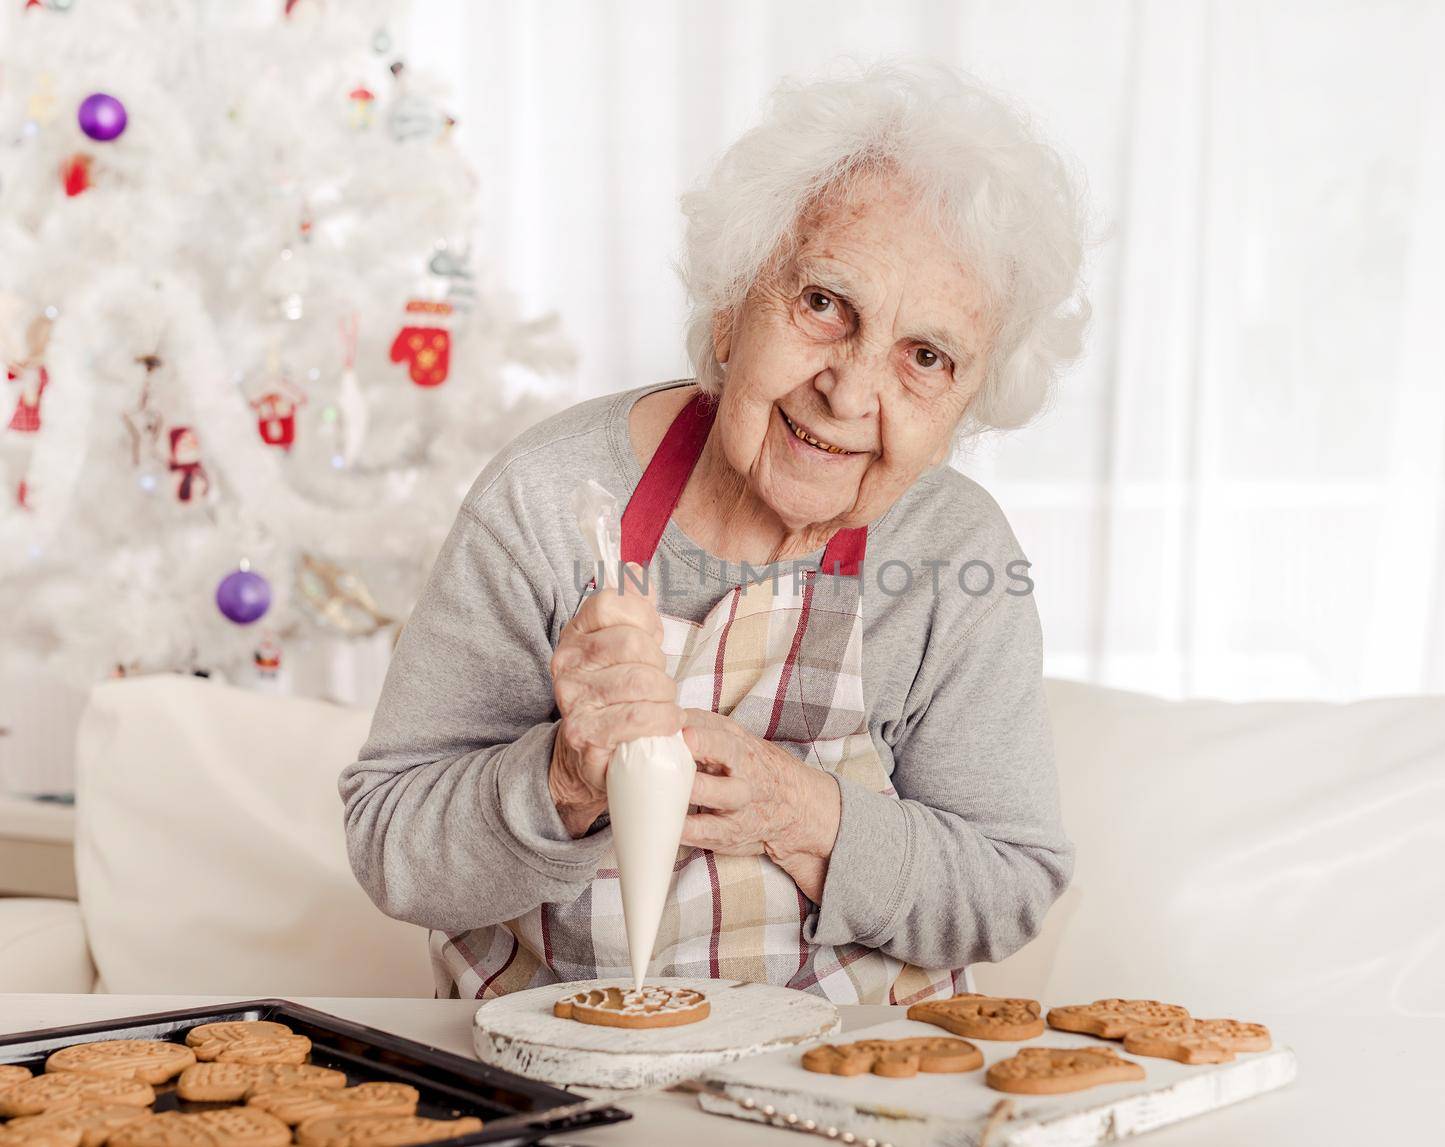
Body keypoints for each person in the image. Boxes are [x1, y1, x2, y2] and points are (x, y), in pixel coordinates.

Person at [341, 60, 1093, 1003]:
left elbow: (1011, 885)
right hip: (565, 1076)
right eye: (824, 304)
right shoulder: (547, 500)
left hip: (847, 1086)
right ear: (734, 306)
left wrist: (805, 813)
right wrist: (565, 780)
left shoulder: (956, 556)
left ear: (963, 406)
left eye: (925, 357)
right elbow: (389, 845)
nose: (851, 391)